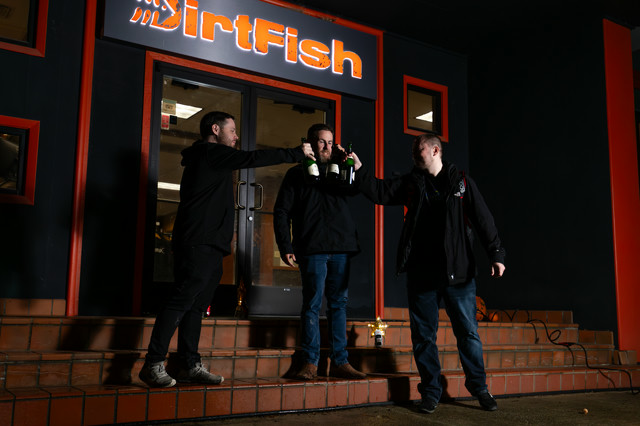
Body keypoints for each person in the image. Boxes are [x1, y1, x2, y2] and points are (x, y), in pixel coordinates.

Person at [139, 111, 314, 388]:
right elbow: (251, 158)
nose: (235, 137)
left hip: (212, 244)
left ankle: (188, 364)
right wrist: (295, 153)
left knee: (197, 307)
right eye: (232, 131)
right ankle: (152, 363)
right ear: (215, 129)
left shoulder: (213, 160)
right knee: (181, 301)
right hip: (198, 242)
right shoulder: (209, 152)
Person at [354, 134, 505, 413]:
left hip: (458, 274)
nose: (414, 152)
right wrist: (360, 170)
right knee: (424, 336)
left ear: (435, 150)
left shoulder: (461, 182)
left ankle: (479, 388)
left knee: (468, 334)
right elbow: (380, 191)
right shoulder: (412, 184)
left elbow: (484, 219)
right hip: (422, 274)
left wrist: (496, 254)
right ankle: (431, 392)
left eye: (419, 148)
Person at [273, 123, 366, 381]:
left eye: (329, 142)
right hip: (312, 248)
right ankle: (310, 362)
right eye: (321, 142)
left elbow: (360, 187)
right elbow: (282, 212)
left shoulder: (340, 171)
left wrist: (351, 163)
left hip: (342, 247)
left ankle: (340, 361)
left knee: (339, 304)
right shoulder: (296, 174)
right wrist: (285, 246)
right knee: (312, 304)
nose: (325, 147)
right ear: (311, 143)